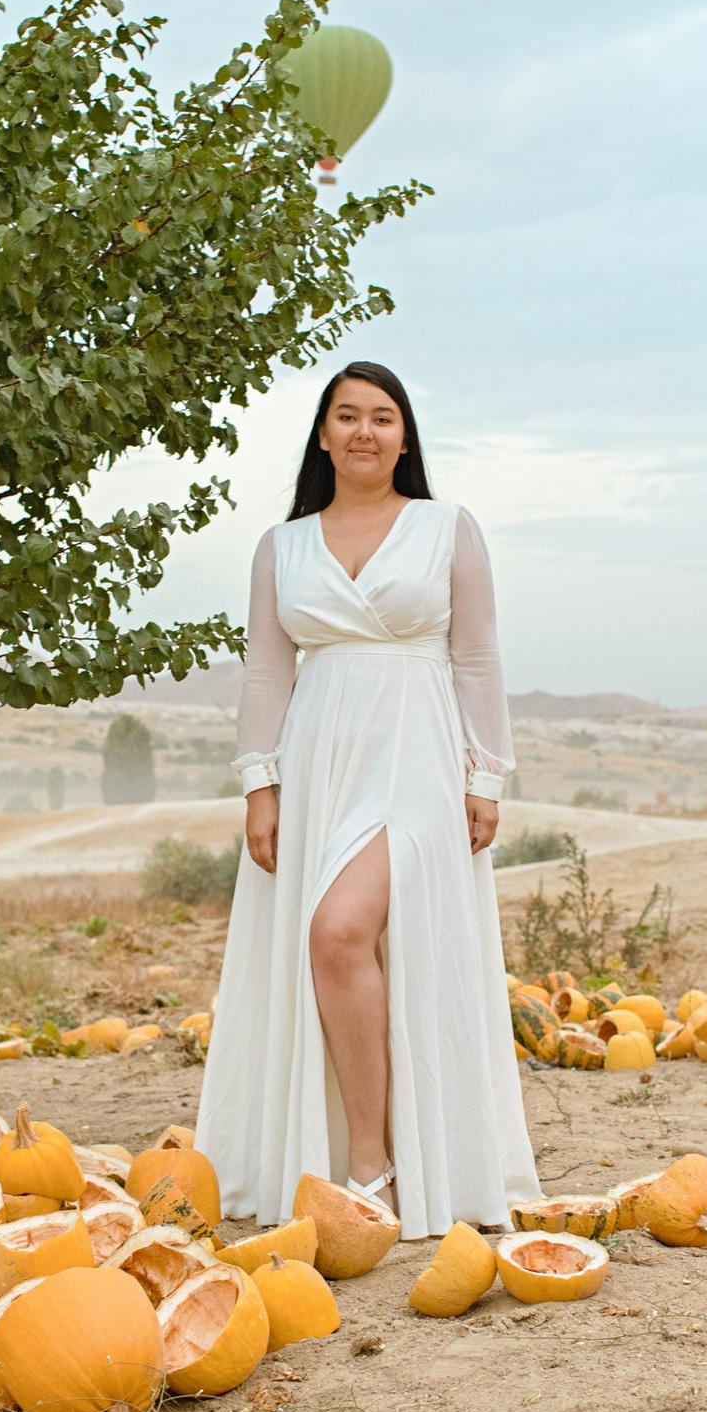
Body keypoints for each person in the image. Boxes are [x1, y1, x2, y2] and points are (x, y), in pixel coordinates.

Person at [193, 361, 542, 1240]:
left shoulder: (447, 529)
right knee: (338, 944)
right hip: (318, 757)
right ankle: (362, 1154)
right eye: (346, 416)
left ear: (405, 436)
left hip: (420, 756)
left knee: (337, 930)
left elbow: (479, 658)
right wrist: (258, 782)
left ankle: (369, 1162)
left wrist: (486, 774)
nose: (364, 432)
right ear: (321, 434)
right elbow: (269, 669)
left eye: (382, 418)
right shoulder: (283, 545)